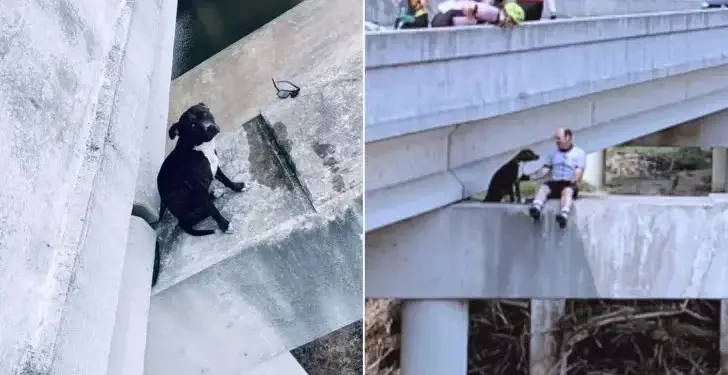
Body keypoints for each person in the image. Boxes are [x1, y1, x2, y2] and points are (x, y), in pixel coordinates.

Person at [522, 128, 586, 228]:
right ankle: (536, 209)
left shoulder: (579, 153)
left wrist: (573, 182)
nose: (556, 141)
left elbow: (579, 172)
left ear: (567, 137)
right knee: (544, 188)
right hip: (555, 182)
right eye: (555, 139)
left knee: (567, 191)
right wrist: (530, 177)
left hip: (569, 183)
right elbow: (544, 170)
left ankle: (564, 215)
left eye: (558, 138)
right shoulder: (552, 153)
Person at [431, 0, 524, 28]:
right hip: (445, 18)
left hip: (446, 17)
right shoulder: (494, 14)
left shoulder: (495, 16)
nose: (512, 27)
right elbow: (470, 8)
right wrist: (471, 20)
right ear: (508, 17)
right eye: (513, 23)